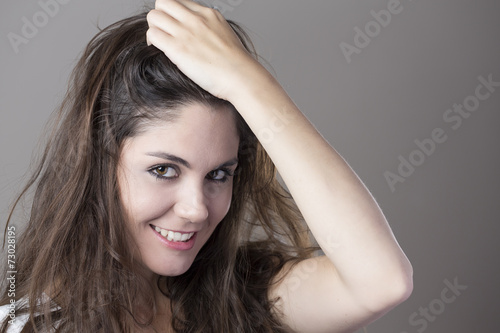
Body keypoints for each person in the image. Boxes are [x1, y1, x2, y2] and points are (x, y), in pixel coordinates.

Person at [0, 0, 413, 332]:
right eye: (164, 170)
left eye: (219, 174)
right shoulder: (35, 325)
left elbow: (381, 282)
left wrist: (248, 83)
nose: (197, 209)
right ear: (98, 165)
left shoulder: (243, 297)